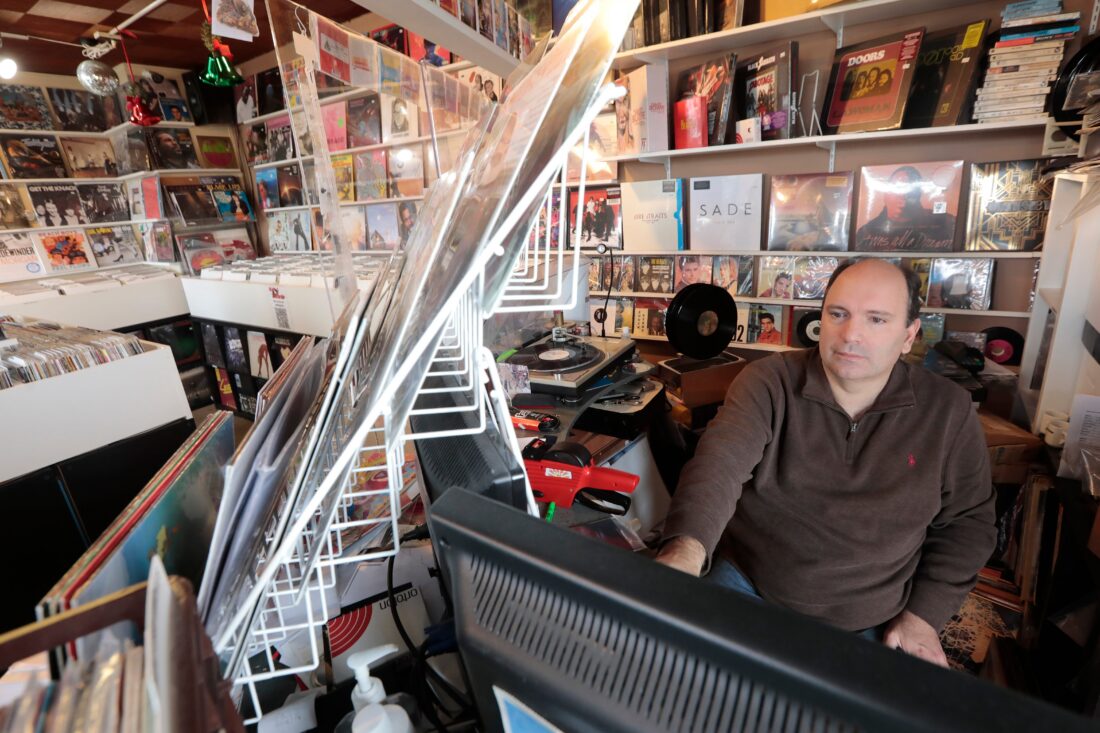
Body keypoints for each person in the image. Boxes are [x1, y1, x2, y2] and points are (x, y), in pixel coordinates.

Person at [657, 258, 995, 667]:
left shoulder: (949, 411)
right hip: (749, 585)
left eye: (876, 320)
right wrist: (685, 552)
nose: (851, 334)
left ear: (908, 336)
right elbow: (719, 465)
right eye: (838, 314)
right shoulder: (769, 380)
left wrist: (923, 617)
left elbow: (968, 523)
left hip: (871, 618)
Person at [855, 165, 956, 251]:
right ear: (886, 194)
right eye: (898, 189)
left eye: (910, 191)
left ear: (919, 194)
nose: (903, 196)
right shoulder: (866, 232)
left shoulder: (946, 223)